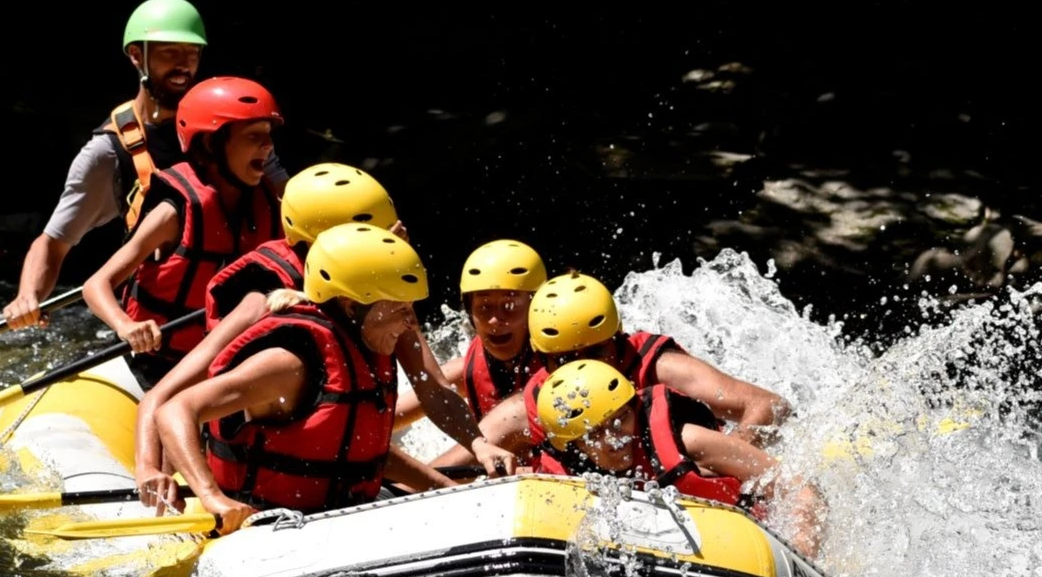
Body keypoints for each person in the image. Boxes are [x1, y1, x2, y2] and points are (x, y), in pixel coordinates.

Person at [131, 167, 517, 513]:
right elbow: (164, 400)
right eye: (378, 234)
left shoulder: (383, 293)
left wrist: (477, 446)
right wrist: (152, 471)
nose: (395, 240)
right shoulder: (271, 310)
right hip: (262, 480)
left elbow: (426, 390)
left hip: (334, 482)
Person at [154, 224, 463, 532]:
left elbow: (357, 453)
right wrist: (212, 497)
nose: (410, 323)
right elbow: (173, 410)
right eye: (399, 309)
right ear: (353, 306)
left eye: (411, 308)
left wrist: (446, 488)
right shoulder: (288, 364)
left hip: (336, 514)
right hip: (268, 524)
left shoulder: (366, 347)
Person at [1, 0, 286, 329]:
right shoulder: (107, 152)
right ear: (137, 56)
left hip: (239, 312)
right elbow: (53, 242)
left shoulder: (228, 130)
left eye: (192, 52)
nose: (184, 64)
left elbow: (289, 198)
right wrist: (28, 295)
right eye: (170, 52)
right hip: (161, 319)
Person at [471, 270, 790, 470]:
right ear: (542, 361)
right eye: (566, 359)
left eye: (596, 351)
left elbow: (769, 405)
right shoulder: (528, 409)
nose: (587, 367)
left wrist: (729, 462)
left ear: (619, 340)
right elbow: (455, 464)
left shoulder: (660, 368)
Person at [80, 77, 283, 389]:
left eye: (268, 136)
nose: (267, 146)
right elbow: (96, 285)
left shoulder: (271, 204)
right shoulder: (174, 213)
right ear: (210, 144)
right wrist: (126, 326)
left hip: (223, 366)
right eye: (253, 137)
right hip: (154, 366)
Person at [532, 358, 825, 557]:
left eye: (621, 419)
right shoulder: (562, 478)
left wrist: (800, 553)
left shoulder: (689, 441)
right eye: (594, 434)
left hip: (749, 545)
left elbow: (801, 488)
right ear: (572, 447)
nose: (615, 439)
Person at [394, 239, 549, 427]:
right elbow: (384, 417)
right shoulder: (466, 371)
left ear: (536, 308)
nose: (494, 320)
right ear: (469, 311)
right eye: (484, 306)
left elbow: (498, 433)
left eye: (510, 305)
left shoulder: (561, 364)